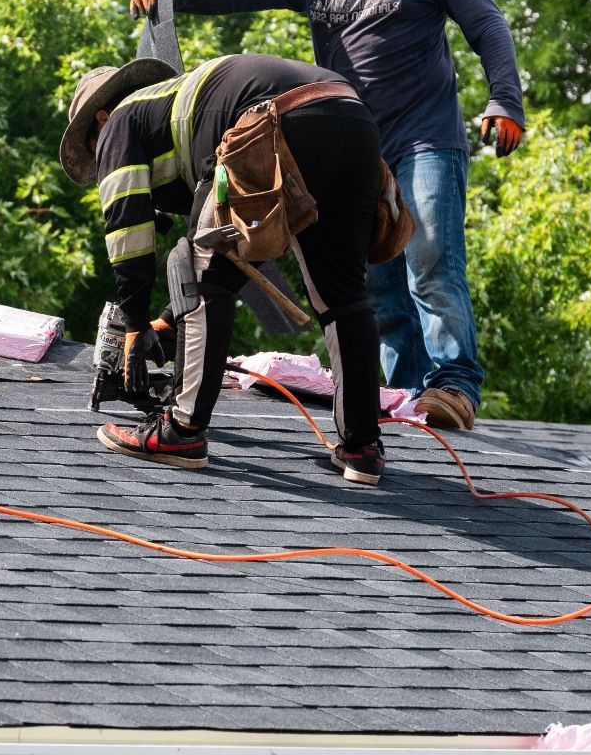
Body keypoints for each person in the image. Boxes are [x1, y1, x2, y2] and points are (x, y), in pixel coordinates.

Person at [129, 0, 525, 430]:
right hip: (359, 145)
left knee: (430, 261)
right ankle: (407, 395)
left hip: (426, 139)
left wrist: (504, 99)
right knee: (375, 280)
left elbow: (487, 24)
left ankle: (455, 383)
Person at [60, 53, 388, 484]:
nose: (103, 162)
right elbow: (243, 246)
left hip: (280, 121)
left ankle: (181, 430)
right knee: (344, 296)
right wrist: (167, 322)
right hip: (352, 118)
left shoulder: (120, 122)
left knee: (191, 267)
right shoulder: (176, 112)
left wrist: (136, 325)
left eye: (95, 152)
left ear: (101, 118)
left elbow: (129, 233)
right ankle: (361, 446)